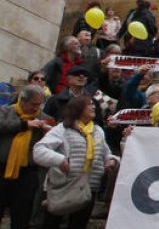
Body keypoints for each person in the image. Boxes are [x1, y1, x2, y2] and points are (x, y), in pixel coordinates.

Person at [33, 96, 118, 229]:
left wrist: (111, 160)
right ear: (78, 108)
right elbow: (39, 150)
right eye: (89, 104)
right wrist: (59, 159)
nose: (94, 107)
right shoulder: (62, 129)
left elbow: (105, 153)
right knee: (52, 223)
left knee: (78, 224)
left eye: (94, 105)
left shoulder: (98, 131)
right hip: (63, 187)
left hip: (88, 189)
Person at [1, 85, 52, 229]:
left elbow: (57, 134)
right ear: (22, 101)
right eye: (33, 104)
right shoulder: (6, 111)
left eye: (39, 104)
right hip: (3, 168)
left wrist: (48, 132)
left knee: (22, 215)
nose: (36, 108)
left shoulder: (43, 118)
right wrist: (24, 125)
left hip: (27, 173)